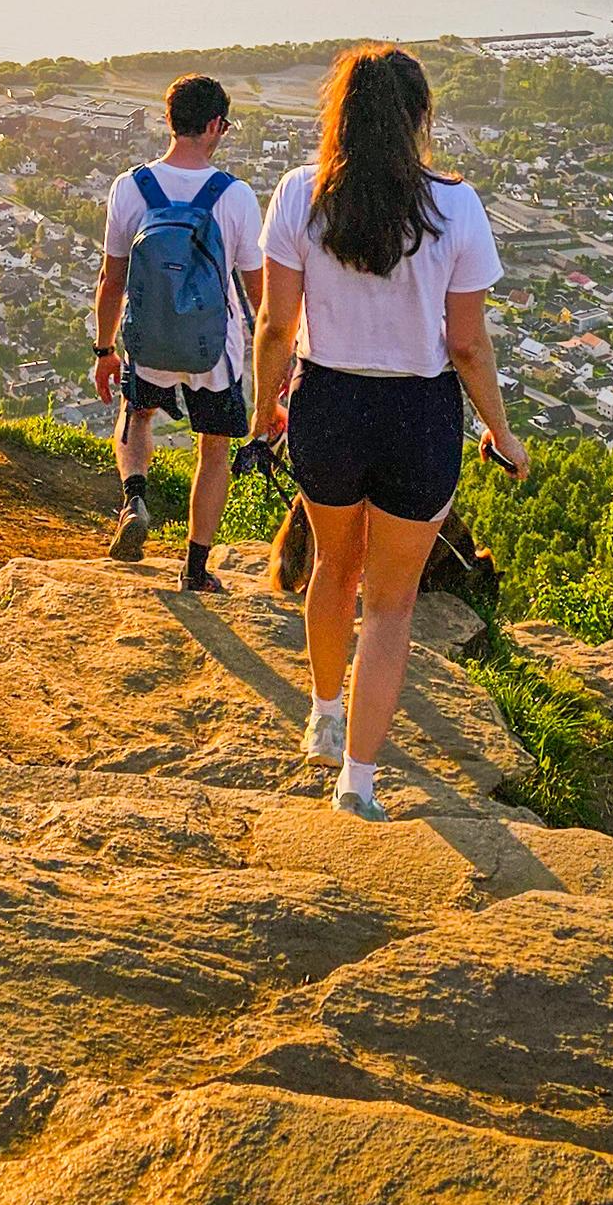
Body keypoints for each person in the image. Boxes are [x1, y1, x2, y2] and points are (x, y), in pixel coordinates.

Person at [251, 43, 528, 817]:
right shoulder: (455, 206)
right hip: (419, 413)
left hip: (329, 404)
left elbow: (278, 324)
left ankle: (323, 714)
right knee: (392, 603)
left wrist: (263, 412)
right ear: (417, 121)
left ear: (339, 114)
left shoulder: (299, 193)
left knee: (333, 569)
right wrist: (502, 434)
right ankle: (358, 781)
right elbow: (468, 344)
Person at [92, 73, 265, 590]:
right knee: (213, 449)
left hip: (149, 342)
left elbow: (112, 278)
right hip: (215, 351)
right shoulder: (233, 196)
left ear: (169, 121)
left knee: (136, 414)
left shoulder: (131, 187)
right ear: (214, 125)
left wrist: (105, 350)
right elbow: (259, 291)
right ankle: (195, 568)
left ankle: (135, 500)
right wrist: (277, 358)